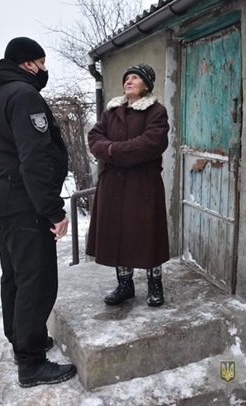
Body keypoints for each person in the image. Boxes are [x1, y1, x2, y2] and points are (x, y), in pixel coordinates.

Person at [0, 36, 76, 387]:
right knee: (36, 281)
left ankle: (22, 338)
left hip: (2, 200)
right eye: (42, 62)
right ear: (27, 64)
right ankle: (31, 362)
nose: (45, 69)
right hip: (22, 203)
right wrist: (53, 210)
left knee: (16, 276)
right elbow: (33, 158)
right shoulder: (24, 95)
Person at [86, 63, 170, 307]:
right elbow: (94, 137)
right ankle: (125, 284)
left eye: (135, 78)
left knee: (147, 234)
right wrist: (110, 149)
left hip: (142, 185)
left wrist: (112, 150)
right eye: (127, 78)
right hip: (112, 185)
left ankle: (155, 284)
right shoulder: (112, 110)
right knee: (118, 235)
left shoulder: (156, 111)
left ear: (146, 85)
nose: (129, 81)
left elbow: (151, 143)